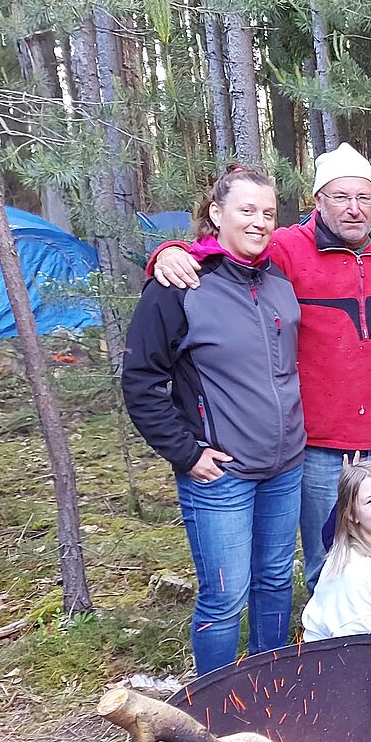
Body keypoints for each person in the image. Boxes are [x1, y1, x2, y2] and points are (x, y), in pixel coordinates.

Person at [149, 143, 371, 583]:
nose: (354, 209)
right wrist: (170, 250)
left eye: (365, 197)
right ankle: (329, 648)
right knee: (325, 558)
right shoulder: (286, 248)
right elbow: (227, 248)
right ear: (318, 201)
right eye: (341, 197)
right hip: (319, 442)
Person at [122, 165, 304, 674]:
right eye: (246, 210)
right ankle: (217, 707)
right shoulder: (180, 285)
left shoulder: (276, 279)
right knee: (225, 597)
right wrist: (186, 452)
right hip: (221, 473)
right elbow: (140, 380)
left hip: (285, 465)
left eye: (268, 213)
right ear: (216, 213)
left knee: (274, 581)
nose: (259, 222)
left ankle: (272, 690)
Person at [301, 459, 371, 641]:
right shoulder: (354, 573)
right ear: (351, 514)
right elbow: (359, 649)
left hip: (370, 639)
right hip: (336, 654)